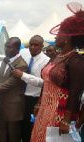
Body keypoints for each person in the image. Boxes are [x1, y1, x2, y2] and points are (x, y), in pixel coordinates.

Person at [31, 2, 84, 142]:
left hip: (59, 114)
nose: (55, 37)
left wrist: (66, 120)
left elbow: (75, 92)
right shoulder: (56, 57)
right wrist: (39, 102)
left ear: (67, 38)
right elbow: (46, 82)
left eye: (59, 34)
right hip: (44, 111)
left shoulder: (75, 61)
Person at [12, 35, 50, 142]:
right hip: (22, 98)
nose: (32, 47)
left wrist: (23, 75)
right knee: (21, 128)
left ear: (42, 46)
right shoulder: (27, 58)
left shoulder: (46, 61)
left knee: (30, 129)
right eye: (31, 44)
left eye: (36, 45)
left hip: (34, 100)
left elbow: (43, 83)